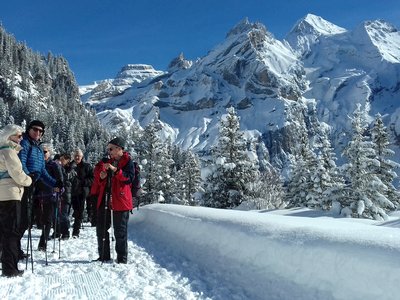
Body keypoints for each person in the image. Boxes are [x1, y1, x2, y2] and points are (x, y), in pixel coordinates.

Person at [18, 120, 62, 259]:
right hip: (21, 185)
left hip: (30, 186)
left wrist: (55, 183)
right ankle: (8, 250)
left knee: (24, 221)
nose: (37, 132)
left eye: (40, 131)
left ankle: (14, 249)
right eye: (35, 129)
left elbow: (42, 172)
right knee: (20, 220)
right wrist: (28, 177)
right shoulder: (24, 143)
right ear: (28, 130)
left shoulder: (37, 148)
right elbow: (21, 163)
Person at [95, 137, 134, 263]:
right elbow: (101, 181)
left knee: (120, 231)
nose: (109, 151)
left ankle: (122, 259)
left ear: (119, 148)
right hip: (106, 198)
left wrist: (116, 170)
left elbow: (128, 179)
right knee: (101, 228)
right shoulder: (109, 161)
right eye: (108, 149)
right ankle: (104, 255)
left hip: (121, 200)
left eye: (111, 148)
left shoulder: (128, 161)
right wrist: (102, 177)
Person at [0, 124, 32, 277]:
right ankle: (10, 268)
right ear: (10, 136)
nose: (21, 139)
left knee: (3, 231)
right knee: (11, 232)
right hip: (11, 194)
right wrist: (29, 180)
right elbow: (17, 174)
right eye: (19, 136)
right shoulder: (9, 151)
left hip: (1, 195)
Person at [33, 144, 63, 251]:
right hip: (37, 196)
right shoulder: (36, 164)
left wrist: (59, 189)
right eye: (41, 151)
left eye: (45, 151)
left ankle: (43, 242)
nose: (43, 153)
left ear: (49, 153)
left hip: (50, 196)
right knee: (39, 221)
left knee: (47, 220)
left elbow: (60, 181)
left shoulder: (54, 165)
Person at [70, 148, 93, 238]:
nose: (77, 157)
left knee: (79, 212)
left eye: (78, 156)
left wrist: (82, 182)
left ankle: (76, 231)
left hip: (82, 193)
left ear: (82, 156)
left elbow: (92, 179)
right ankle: (62, 231)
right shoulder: (70, 165)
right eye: (75, 156)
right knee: (72, 211)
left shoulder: (87, 166)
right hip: (70, 192)